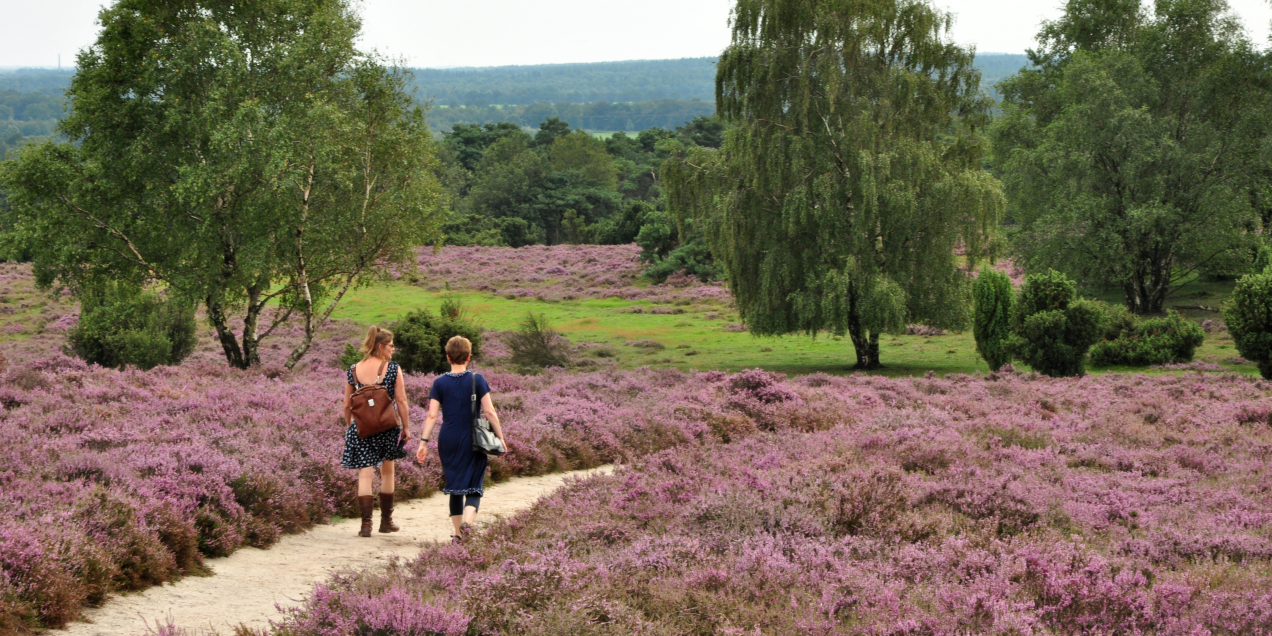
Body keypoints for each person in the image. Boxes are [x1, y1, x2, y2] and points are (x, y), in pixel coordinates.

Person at [416, 335, 507, 543]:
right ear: (468, 357)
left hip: (447, 438)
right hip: (472, 438)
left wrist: (423, 443)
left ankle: (458, 535)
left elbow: (432, 416)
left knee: (455, 486)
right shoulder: (478, 379)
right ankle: (468, 522)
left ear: (448, 357)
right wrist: (500, 438)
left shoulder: (439, 382)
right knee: (474, 484)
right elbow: (490, 412)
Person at [341, 326, 410, 538]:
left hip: (361, 428)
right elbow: (401, 400)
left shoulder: (354, 369)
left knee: (365, 474)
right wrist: (406, 427)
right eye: (390, 346)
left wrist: (351, 425)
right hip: (387, 428)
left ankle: (365, 526)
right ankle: (386, 522)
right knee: (388, 472)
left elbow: (347, 404)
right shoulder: (392, 368)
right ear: (380, 347)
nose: (393, 349)